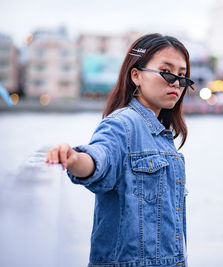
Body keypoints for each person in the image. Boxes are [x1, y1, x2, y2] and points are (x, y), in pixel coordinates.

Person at [45, 33, 194, 267]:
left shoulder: (161, 135)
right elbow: (99, 160)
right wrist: (74, 158)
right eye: (166, 72)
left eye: (182, 76)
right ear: (136, 75)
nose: (175, 82)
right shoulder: (123, 124)